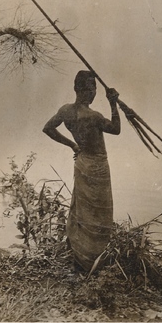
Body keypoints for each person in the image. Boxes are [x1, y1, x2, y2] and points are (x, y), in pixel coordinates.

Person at [43, 71, 120, 273]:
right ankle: (95, 261)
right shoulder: (94, 117)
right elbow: (116, 129)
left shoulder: (65, 111)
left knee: (82, 210)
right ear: (85, 91)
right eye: (92, 88)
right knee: (100, 212)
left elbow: (48, 129)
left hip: (82, 162)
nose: (94, 92)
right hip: (98, 165)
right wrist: (113, 103)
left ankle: (81, 259)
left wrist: (72, 145)